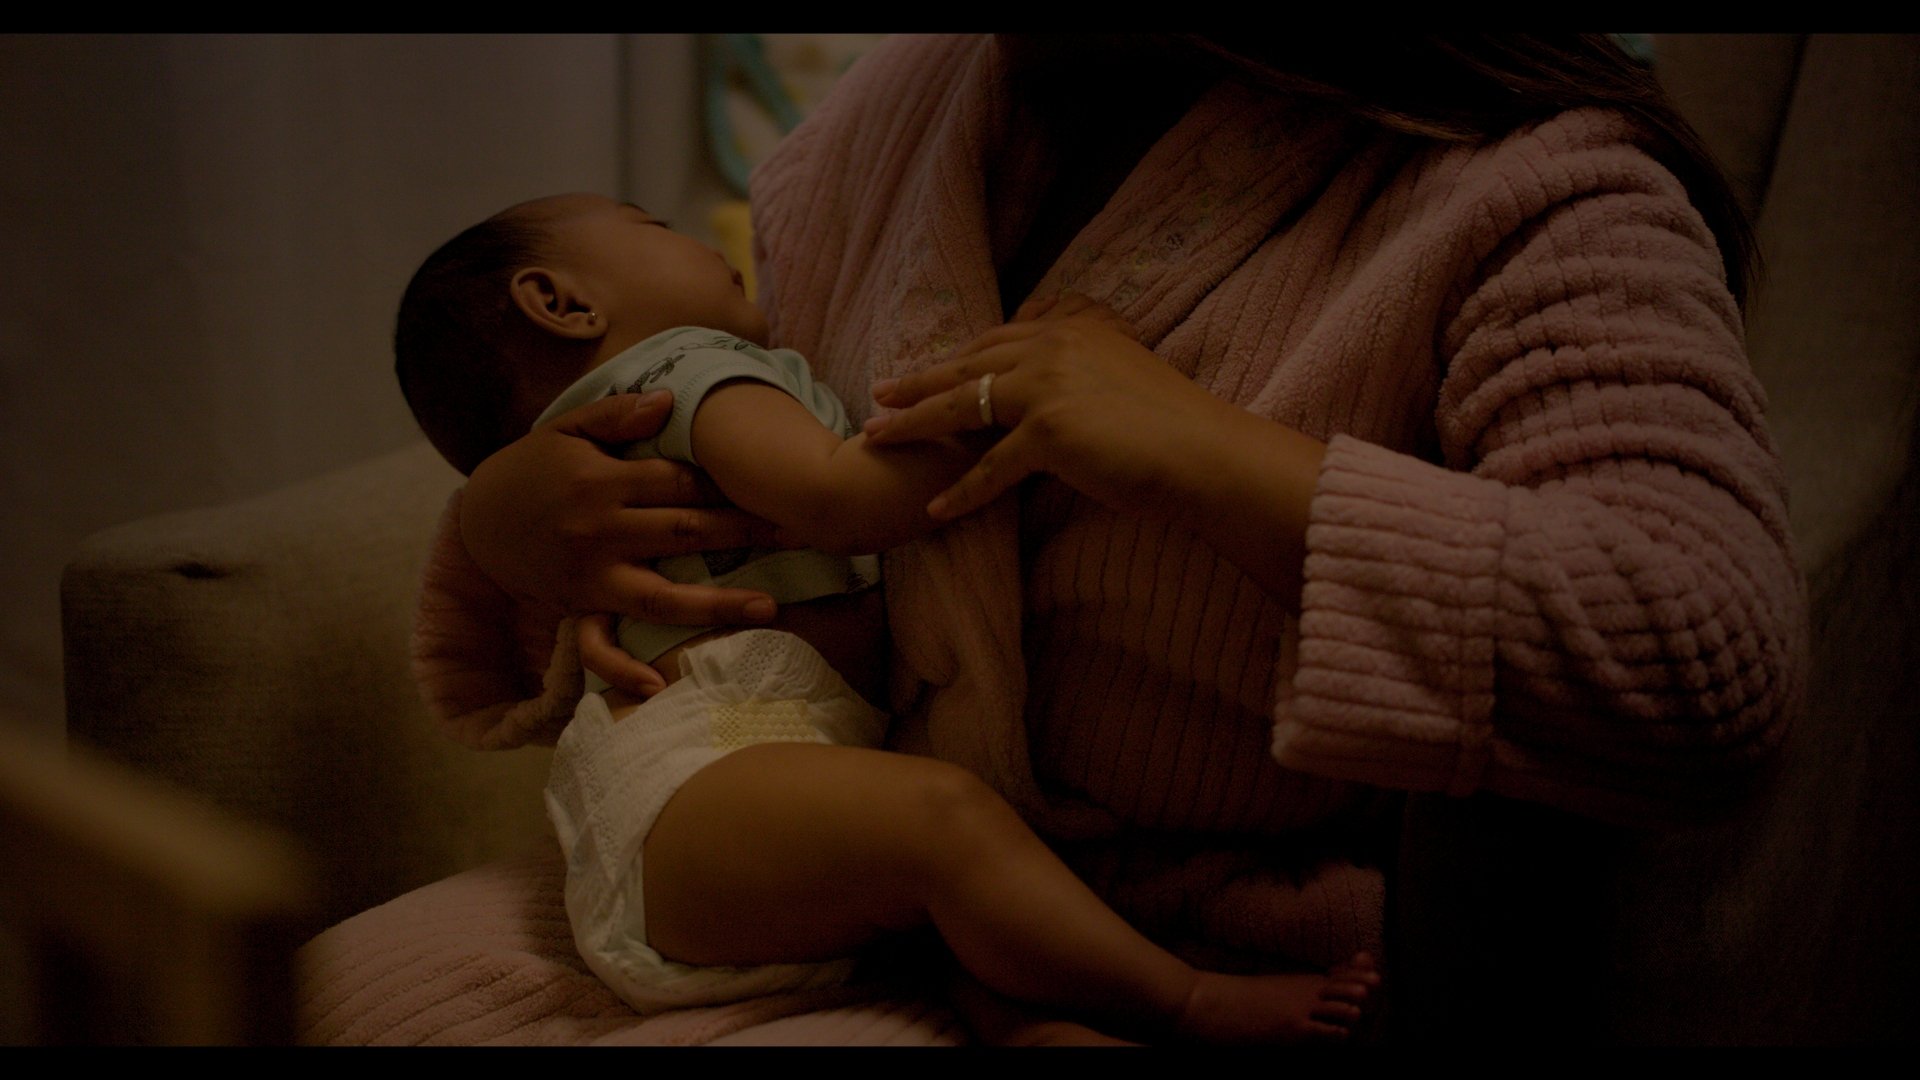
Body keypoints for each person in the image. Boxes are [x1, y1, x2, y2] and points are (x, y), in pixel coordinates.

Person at [431, 34, 1806, 1040]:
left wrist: (1206, 457)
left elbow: (1706, 658)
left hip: (1226, 965)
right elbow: (751, 474)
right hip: (873, 897)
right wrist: (506, 511)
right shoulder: (913, 101)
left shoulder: (1539, 194)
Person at [394, 191, 1378, 1043]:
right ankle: (1190, 1000)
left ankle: (1036, 1029)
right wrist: (1014, 400)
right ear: (560, 301)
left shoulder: (637, 413)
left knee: (942, 909)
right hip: (694, 779)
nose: (699, 234)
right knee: (941, 823)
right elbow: (839, 496)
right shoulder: (683, 371)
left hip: (713, 801)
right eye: (651, 222)